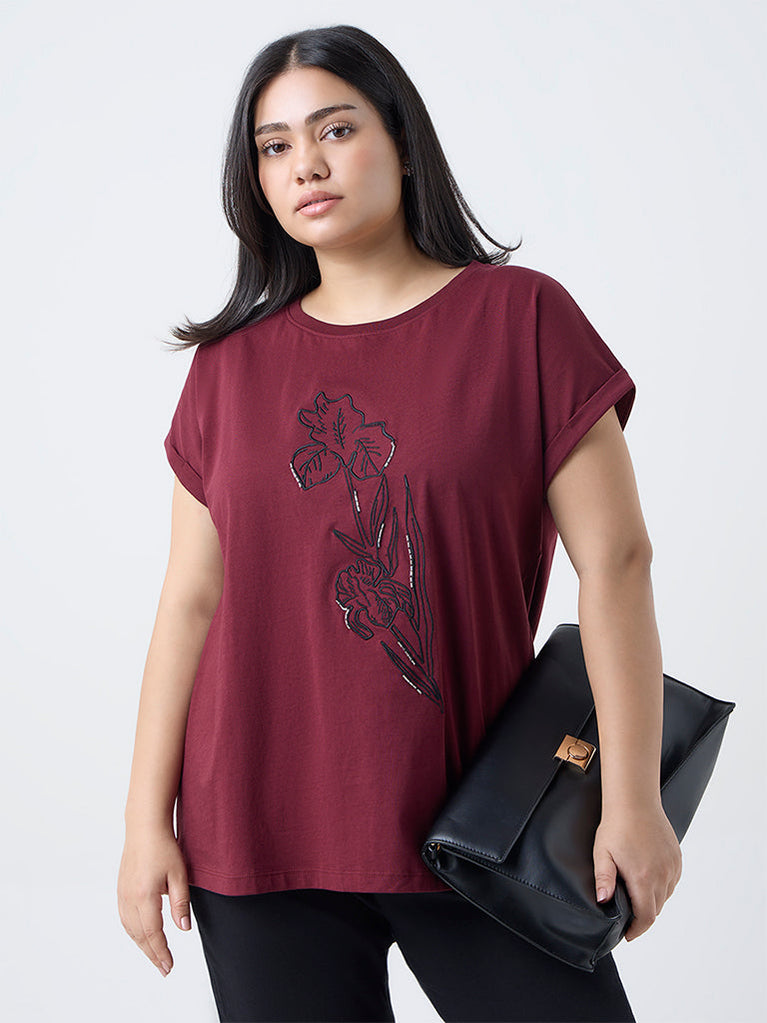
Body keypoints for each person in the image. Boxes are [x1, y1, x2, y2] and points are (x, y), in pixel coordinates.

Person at [117, 23, 682, 1023]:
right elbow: (191, 599)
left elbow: (617, 562)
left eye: (335, 129)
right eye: (275, 145)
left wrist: (630, 797)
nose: (306, 164)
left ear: (402, 143)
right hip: (253, 827)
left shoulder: (520, 320)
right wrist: (141, 822)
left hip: (480, 824)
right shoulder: (228, 369)